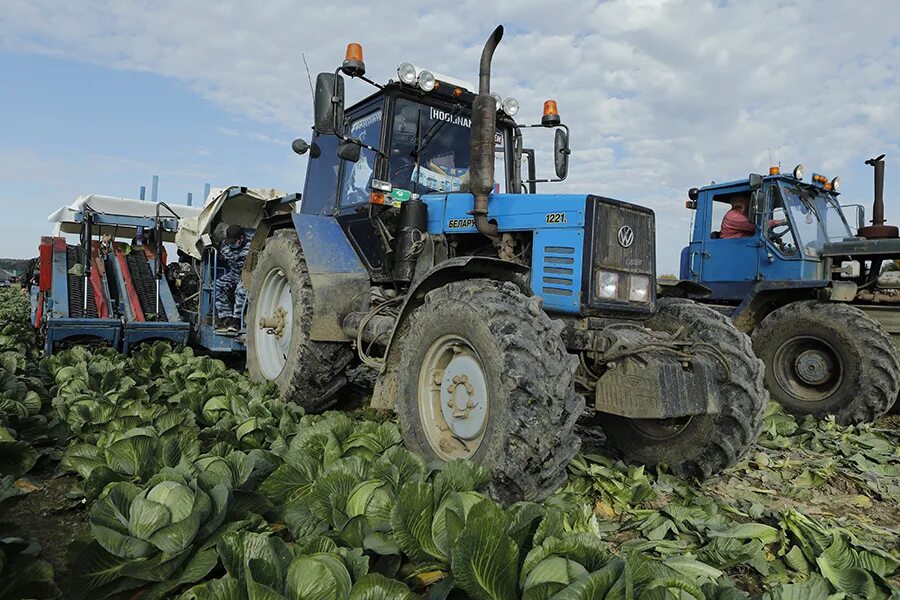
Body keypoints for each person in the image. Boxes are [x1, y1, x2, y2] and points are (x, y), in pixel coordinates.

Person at [215, 225, 250, 332]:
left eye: (233, 242)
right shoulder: (225, 244)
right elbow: (224, 254)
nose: (230, 244)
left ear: (241, 239)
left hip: (248, 274)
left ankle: (237, 320)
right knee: (217, 286)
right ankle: (226, 317)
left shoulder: (251, 246)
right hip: (234, 273)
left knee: (240, 290)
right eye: (229, 241)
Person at [720, 195, 787, 239]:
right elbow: (760, 225)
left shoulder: (743, 215)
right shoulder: (733, 216)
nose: (738, 204)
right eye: (736, 202)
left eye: (741, 201)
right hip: (733, 249)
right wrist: (784, 221)